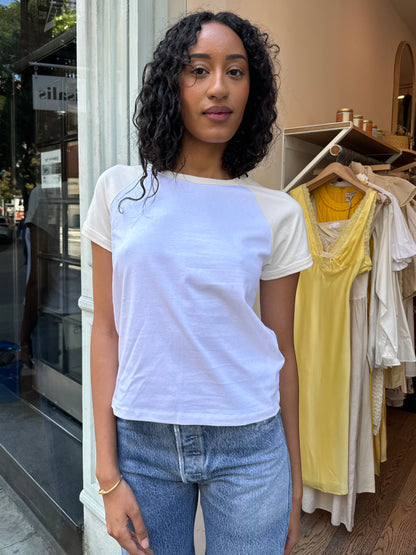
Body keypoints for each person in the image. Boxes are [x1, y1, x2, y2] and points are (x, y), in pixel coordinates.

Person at [82, 11, 312, 555]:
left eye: (236, 72)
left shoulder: (276, 213)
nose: (218, 88)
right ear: (172, 85)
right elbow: (107, 332)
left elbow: (282, 349)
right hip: (143, 442)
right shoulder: (120, 192)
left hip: (251, 445)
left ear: (251, 91)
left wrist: (295, 481)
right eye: (198, 70)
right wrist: (107, 475)